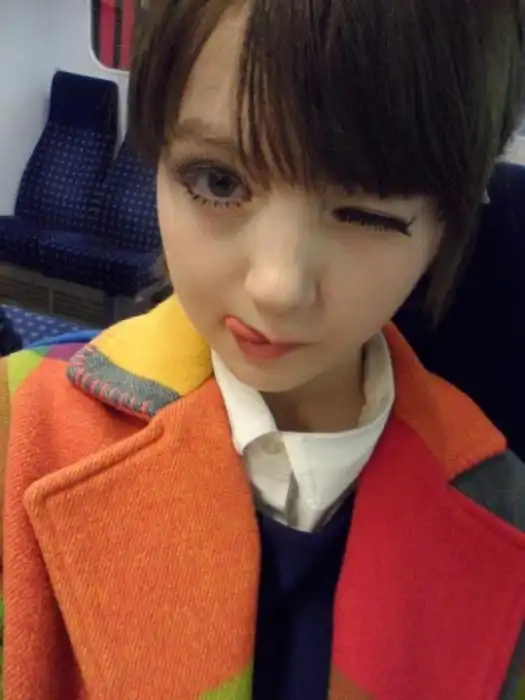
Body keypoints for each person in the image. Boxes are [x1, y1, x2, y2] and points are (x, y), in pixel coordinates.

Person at [2, 1, 525, 698]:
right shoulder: (17, 425)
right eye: (217, 181)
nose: (277, 287)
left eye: (365, 213)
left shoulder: (501, 503)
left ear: (447, 225)